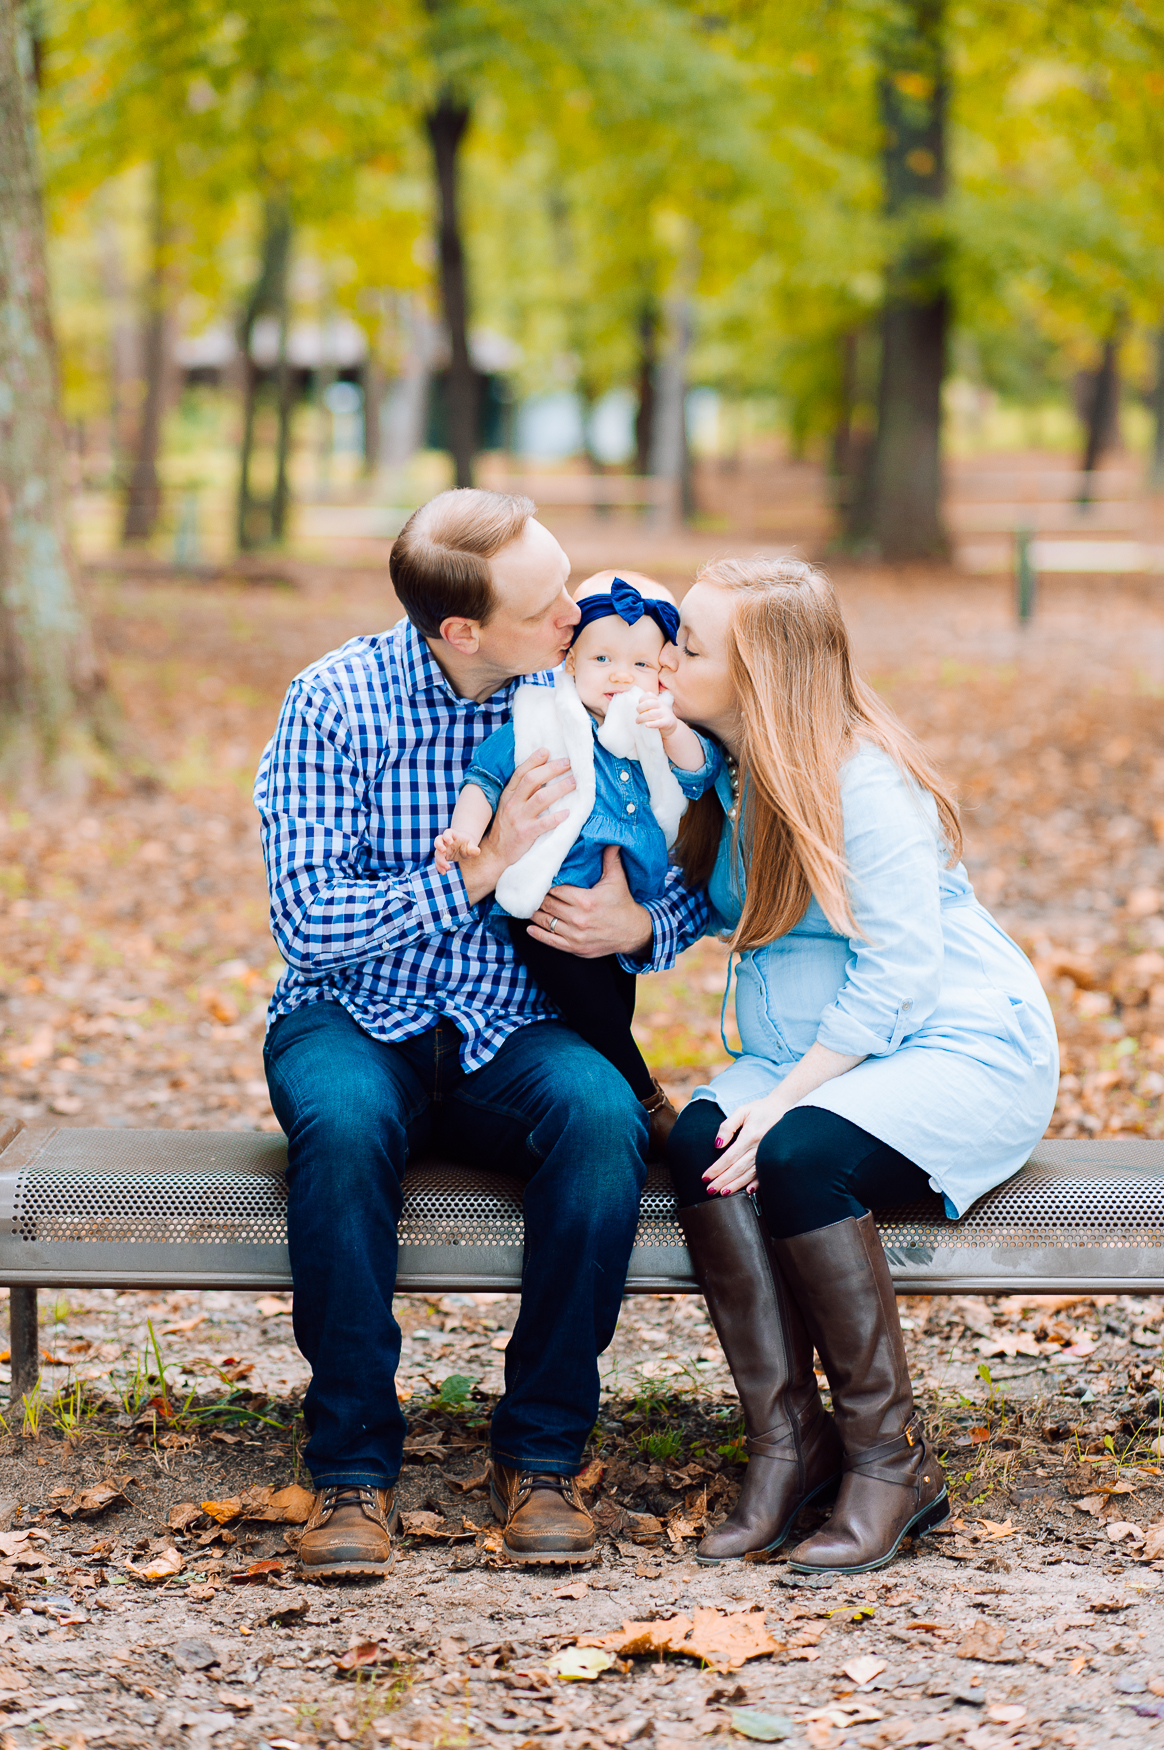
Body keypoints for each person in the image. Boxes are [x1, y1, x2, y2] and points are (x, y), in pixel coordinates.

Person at [255, 489, 707, 1577]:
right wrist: (476, 875)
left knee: (602, 1117)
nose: (575, 610)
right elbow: (309, 919)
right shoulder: (335, 702)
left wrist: (643, 924)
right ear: (460, 631)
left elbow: (694, 851)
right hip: (355, 1013)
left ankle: (543, 1454)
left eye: (567, 581)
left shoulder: (596, 685)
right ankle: (352, 1471)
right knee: (347, 1120)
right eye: (547, 602)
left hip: (515, 1022)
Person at [660, 556, 1058, 1575]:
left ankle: (891, 1460)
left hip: (960, 1044)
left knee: (794, 1153)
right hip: (827, 1046)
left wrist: (789, 1098)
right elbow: (718, 903)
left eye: (690, 644)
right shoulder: (735, 768)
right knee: (702, 1139)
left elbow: (899, 976)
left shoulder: (862, 780)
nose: (666, 653)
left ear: (757, 676)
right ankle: (790, 1446)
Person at [435, 569, 718, 1154]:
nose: (621, 675)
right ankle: (644, 1095)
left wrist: (670, 731)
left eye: (640, 665)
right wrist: (463, 834)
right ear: (570, 664)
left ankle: (624, 1085)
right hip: (549, 894)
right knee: (592, 1009)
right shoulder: (541, 720)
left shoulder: (649, 727)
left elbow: (699, 774)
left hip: (625, 902)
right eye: (603, 659)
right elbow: (484, 778)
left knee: (614, 1003)